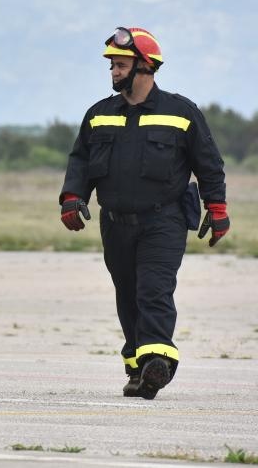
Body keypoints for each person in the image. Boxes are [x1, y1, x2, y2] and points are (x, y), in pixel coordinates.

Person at [59, 27, 228, 399]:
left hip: (163, 221)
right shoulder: (99, 115)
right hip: (115, 223)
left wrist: (217, 208)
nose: (114, 72)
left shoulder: (181, 113)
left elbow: (209, 164)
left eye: (120, 65)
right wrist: (72, 197)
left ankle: (158, 360)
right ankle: (139, 368)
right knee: (128, 295)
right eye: (112, 66)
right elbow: (80, 161)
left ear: (145, 67)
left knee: (153, 290)